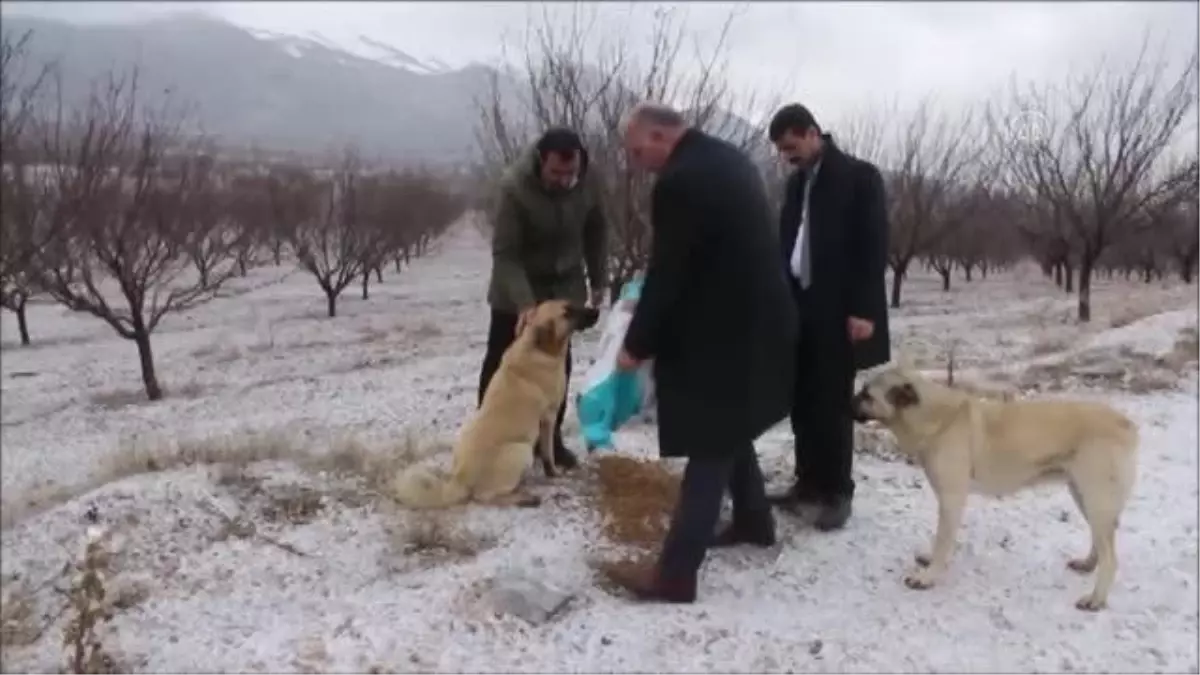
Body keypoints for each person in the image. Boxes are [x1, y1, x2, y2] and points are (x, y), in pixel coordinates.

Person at [603, 102, 798, 603]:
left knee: (710, 441)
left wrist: (636, 344)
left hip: (726, 328)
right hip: (756, 318)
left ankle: (675, 574)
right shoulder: (728, 157)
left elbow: (670, 271)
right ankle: (754, 520)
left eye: (636, 150)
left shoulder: (680, 180)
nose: (635, 161)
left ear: (659, 135)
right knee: (731, 421)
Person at [765, 103, 891, 530]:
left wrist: (864, 310)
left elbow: (873, 246)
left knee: (833, 401)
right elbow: (787, 242)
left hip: (840, 310)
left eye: (792, 146)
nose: (788, 156)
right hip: (799, 305)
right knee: (803, 399)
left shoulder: (859, 177)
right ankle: (808, 483)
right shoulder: (797, 184)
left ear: (812, 133)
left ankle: (837, 491)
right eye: (782, 151)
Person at [480, 127, 608, 471]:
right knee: (501, 364)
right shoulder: (514, 187)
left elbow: (597, 229)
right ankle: (490, 439)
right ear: (541, 161)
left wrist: (599, 278)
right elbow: (506, 254)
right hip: (517, 287)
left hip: (565, 284)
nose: (564, 181)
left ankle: (549, 442)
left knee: (557, 366)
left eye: (570, 173)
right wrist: (525, 304)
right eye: (556, 173)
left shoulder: (590, 180)